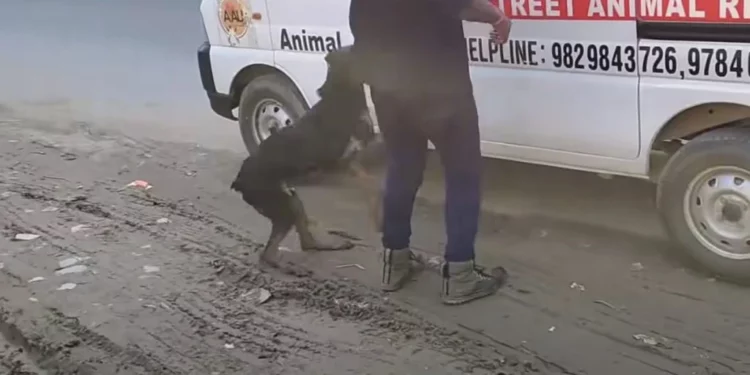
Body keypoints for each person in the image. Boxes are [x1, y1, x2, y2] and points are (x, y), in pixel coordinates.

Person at [349, 0, 512, 305]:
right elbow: (463, 5)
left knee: (401, 167)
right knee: (463, 174)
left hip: (388, 88)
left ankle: (394, 263)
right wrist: (499, 18)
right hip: (439, 87)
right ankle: (461, 275)